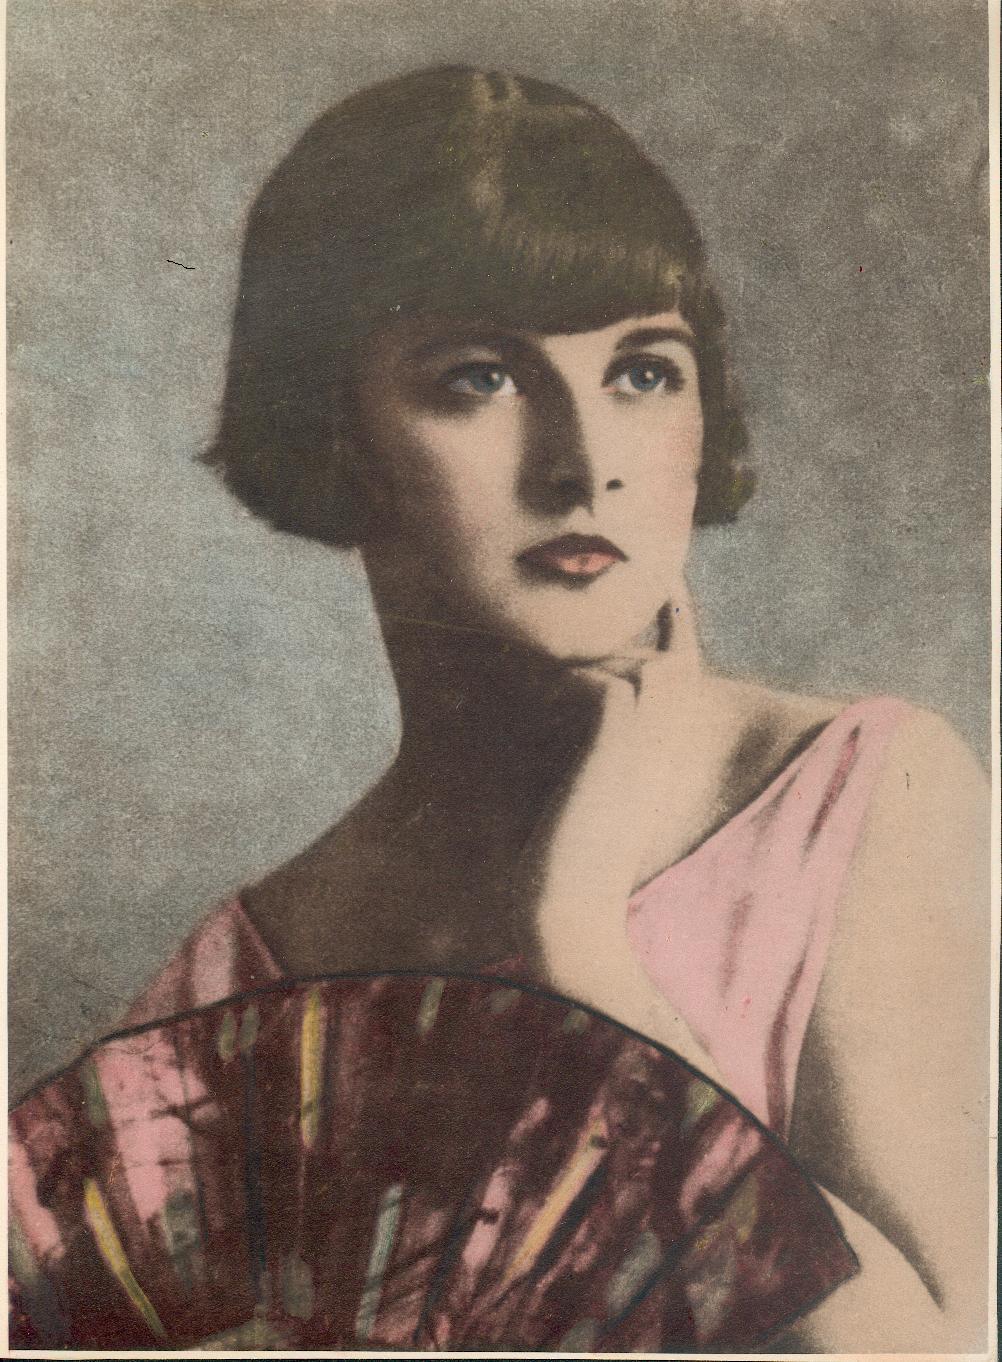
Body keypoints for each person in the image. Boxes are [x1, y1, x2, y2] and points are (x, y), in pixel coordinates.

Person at [25, 66, 993, 1351]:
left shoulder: (863, 799)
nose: (584, 462)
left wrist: (586, 959)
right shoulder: (241, 975)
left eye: (643, 372)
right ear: (329, 430)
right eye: (480, 377)